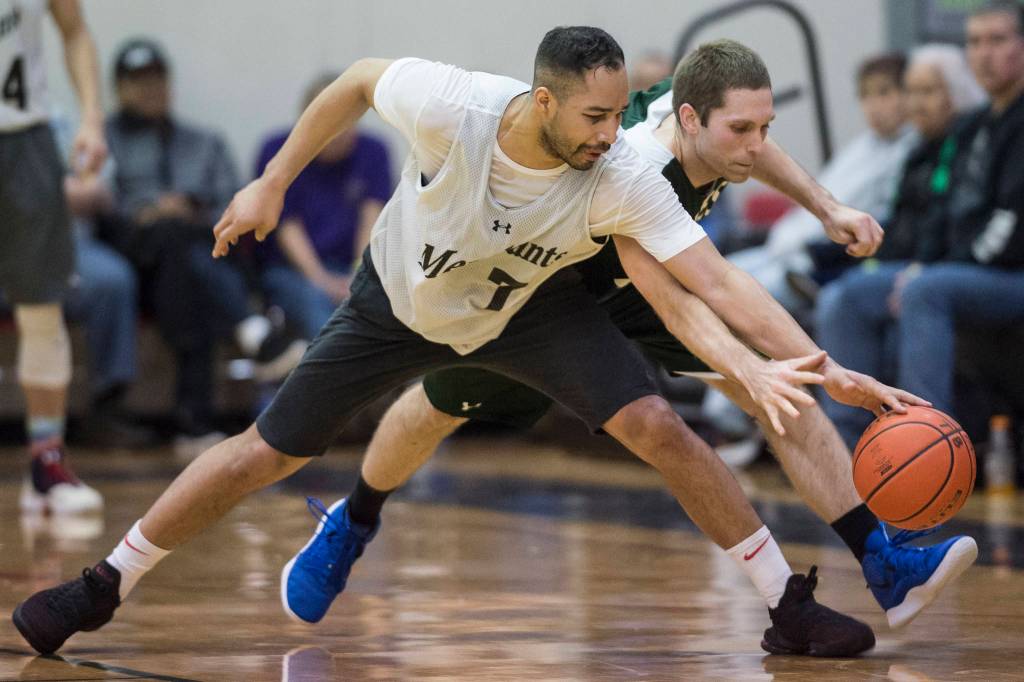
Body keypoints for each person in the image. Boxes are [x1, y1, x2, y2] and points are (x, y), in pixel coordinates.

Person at [16, 27, 919, 658]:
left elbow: (716, 285)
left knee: (660, 427)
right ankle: (107, 583)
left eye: (618, 119)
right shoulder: (460, 109)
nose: (610, 139)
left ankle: (784, 607)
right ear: (542, 101)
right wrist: (271, 182)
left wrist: (825, 368)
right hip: (395, 302)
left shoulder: (623, 172)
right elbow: (358, 79)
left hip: (529, 310)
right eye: (593, 121)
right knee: (267, 452)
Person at [326, 38, 979, 633]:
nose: (754, 145)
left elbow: (747, 154)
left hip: (640, 289)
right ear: (692, 122)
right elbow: (685, 301)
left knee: (787, 388)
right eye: (741, 130)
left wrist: (825, 205)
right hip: (547, 296)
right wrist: (773, 363)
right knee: (437, 407)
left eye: (764, 127)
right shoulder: (635, 163)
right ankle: (354, 515)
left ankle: (882, 563)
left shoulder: (704, 113)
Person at [702, 51, 919, 440]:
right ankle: (724, 394)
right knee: (714, 273)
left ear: (907, 95)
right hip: (784, 248)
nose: (876, 105)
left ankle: (735, 412)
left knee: (748, 293)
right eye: (867, 95)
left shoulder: (910, 151)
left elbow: (881, 222)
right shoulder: (861, 148)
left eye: (886, 92)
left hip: (826, 261)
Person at [101, 38, 307, 441]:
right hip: (138, 259)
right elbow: (104, 205)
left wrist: (188, 210)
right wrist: (150, 211)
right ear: (119, 88)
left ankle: (195, 420)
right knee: (171, 241)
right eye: (138, 81)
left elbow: (235, 203)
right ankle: (252, 330)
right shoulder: (105, 139)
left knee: (185, 266)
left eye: (157, 79)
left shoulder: (204, 142)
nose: (151, 89)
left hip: (198, 253)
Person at [816, 44, 987, 447]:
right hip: (918, 263)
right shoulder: (918, 151)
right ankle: (846, 443)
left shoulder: (964, 142)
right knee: (841, 297)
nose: (916, 103)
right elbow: (909, 222)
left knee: (903, 293)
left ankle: (925, 440)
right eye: (911, 91)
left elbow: (955, 225)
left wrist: (919, 268)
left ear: (954, 94)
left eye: (927, 91)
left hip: (950, 266)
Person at [895, 1, 1024, 418]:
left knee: (924, 291)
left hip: (1009, 274)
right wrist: (921, 263)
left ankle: (928, 441)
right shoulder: (971, 125)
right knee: (848, 298)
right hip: (961, 270)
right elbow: (940, 207)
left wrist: (936, 270)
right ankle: (850, 450)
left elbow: (1009, 225)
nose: (984, 53)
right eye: (974, 42)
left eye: (997, 40)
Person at [0, 0, 105, 514]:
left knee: (40, 306)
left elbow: (74, 30)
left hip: (25, 140)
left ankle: (46, 460)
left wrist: (91, 117)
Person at [255, 74, 393, 340]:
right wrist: (322, 280)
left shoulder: (374, 151)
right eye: (330, 121)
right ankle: (336, 376)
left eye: (348, 120)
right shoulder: (278, 151)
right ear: (307, 121)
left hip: (352, 267)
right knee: (318, 305)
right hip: (293, 271)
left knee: (384, 301)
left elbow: (372, 218)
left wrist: (358, 275)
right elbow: (287, 226)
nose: (339, 131)